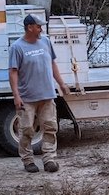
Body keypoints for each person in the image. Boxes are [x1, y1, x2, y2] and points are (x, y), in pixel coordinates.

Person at [8, 12, 72, 173]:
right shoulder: (17, 47)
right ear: (29, 28)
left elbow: (52, 64)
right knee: (27, 130)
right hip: (27, 98)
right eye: (38, 27)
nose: (41, 29)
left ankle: (49, 159)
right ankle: (28, 160)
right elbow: (13, 72)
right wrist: (16, 95)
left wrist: (61, 83)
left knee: (50, 127)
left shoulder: (45, 42)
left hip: (47, 95)